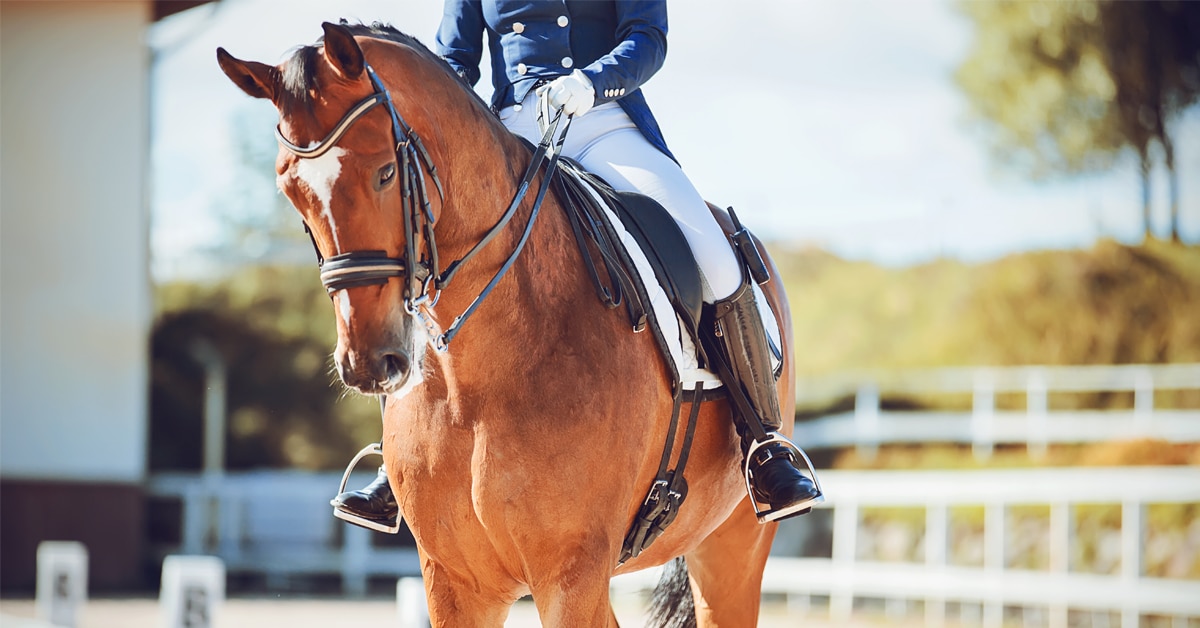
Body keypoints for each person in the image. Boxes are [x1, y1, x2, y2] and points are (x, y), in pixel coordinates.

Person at [332, 0, 823, 530]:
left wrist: (590, 83)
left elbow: (647, 37)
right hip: (506, 129)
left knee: (714, 253)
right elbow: (452, 59)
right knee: (418, 253)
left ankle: (762, 444)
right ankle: (398, 461)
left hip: (602, 120)